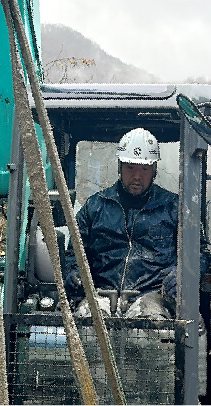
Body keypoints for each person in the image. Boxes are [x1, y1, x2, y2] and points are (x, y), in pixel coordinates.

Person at [65, 127, 178, 319]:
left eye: (144, 168)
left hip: (154, 295)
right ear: (120, 166)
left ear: (154, 170)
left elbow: (199, 253)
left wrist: (181, 273)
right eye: (130, 167)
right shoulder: (95, 206)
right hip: (101, 293)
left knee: (152, 326)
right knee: (87, 319)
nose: (137, 176)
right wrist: (74, 273)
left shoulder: (173, 207)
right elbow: (74, 251)